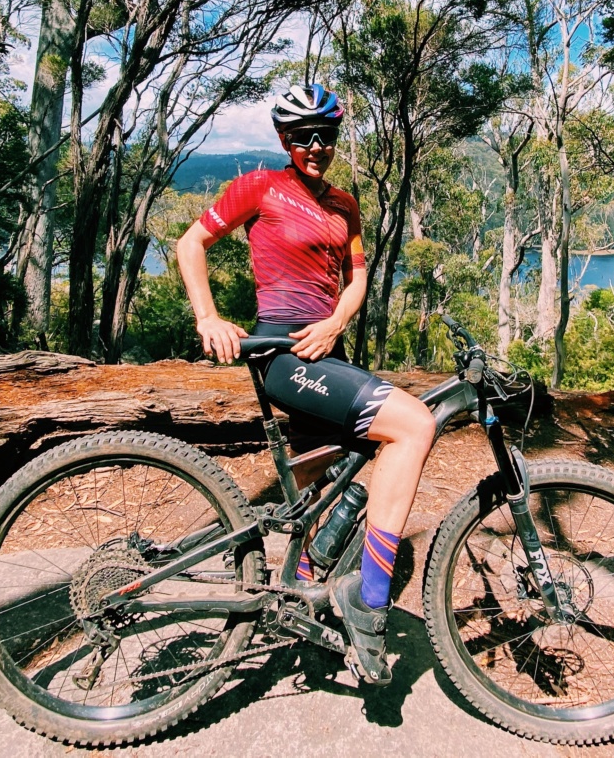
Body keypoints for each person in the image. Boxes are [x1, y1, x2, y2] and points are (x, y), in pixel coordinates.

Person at [175, 84, 435, 685]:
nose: (314, 145)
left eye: (324, 133)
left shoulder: (345, 203)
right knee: (414, 425)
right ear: (284, 140)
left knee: (343, 462)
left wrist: (337, 321)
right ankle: (369, 603)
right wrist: (207, 317)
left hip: (326, 347)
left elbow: (358, 276)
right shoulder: (260, 187)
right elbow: (191, 243)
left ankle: (308, 575)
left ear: (336, 135)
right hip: (283, 354)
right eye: (300, 135)